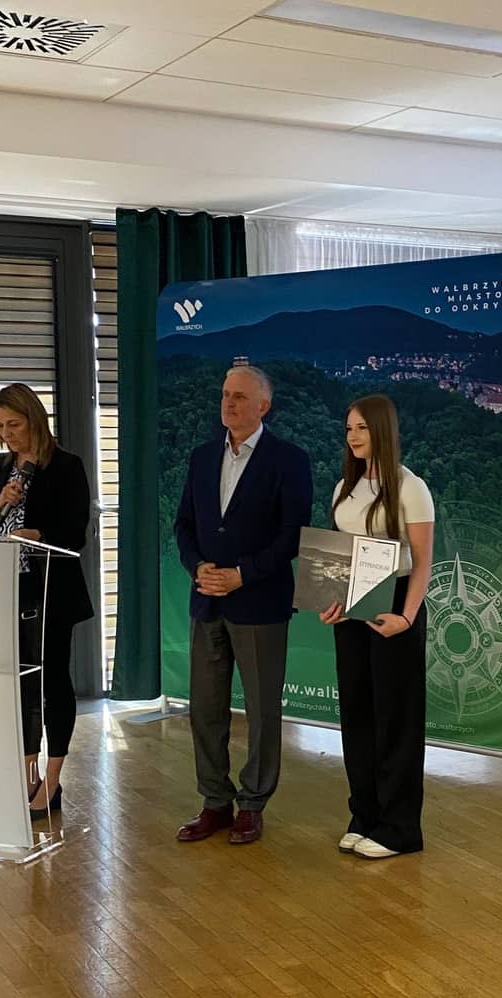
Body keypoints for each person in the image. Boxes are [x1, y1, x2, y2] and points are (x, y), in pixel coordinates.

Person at [175, 365, 312, 845]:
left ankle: (252, 805)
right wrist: (197, 567)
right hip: (207, 600)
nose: (228, 403)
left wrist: (243, 574)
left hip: (260, 603)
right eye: (225, 395)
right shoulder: (201, 457)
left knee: (261, 711)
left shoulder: (289, 460)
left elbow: (292, 535)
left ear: (263, 406)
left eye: (239, 396)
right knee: (204, 709)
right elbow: (184, 525)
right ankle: (215, 801)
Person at [320, 394, 434, 859]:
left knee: (396, 719)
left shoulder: (410, 487)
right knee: (357, 715)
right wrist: (332, 602)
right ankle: (364, 815)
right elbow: (338, 556)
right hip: (354, 609)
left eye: (362, 428)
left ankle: (399, 827)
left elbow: (423, 563)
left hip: (396, 606)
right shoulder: (343, 487)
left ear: (383, 430)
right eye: (349, 428)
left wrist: (406, 616)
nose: (353, 436)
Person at [0, 383, 94, 819]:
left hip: (51, 590)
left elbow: (76, 533)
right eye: (0, 426)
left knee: (52, 681)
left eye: (14, 424)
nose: (7, 435)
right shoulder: (0, 468)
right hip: (7, 591)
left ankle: (52, 779)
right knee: (17, 685)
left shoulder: (66, 466)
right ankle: (26, 772)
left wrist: (35, 534)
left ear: (35, 419)